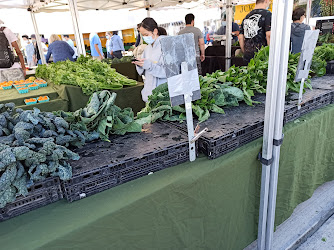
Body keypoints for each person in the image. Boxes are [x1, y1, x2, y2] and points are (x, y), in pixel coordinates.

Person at [133, 17, 167, 102]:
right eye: (142, 35)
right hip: (149, 92)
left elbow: (168, 72)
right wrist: (140, 65)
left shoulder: (166, 46)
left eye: (146, 35)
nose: (144, 38)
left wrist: (150, 65)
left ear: (155, 31)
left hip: (163, 94)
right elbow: (144, 72)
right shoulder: (147, 49)